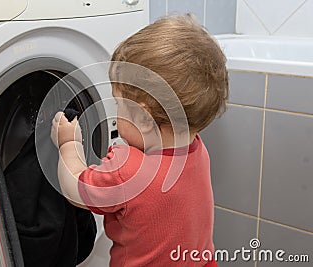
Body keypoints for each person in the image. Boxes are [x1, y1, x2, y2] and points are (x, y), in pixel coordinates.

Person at [50, 14, 228, 266]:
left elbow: (74, 189)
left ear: (144, 117)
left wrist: (69, 144)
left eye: (119, 104)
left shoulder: (128, 170)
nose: (115, 113)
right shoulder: (198, 150)